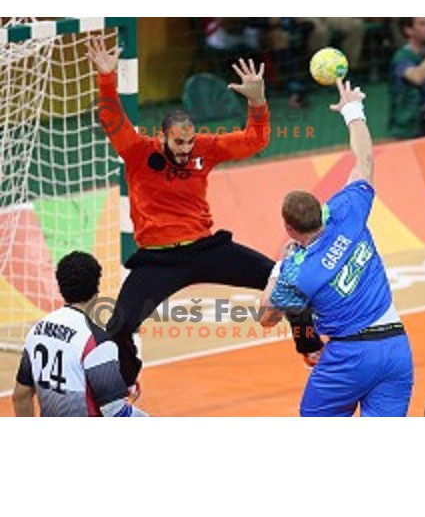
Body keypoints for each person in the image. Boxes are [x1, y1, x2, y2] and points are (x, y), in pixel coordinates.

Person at [85, 38, 322, 391]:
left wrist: (257, 100)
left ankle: (310, 346)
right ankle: (130, 376)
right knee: (117, 327)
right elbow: (111, 119)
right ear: (162, 137)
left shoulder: (203, 149)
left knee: (287, 281)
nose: (185, 149)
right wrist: (106, 78)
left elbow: (254, 141)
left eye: (190, 142)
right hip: (158, 261)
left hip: (207, 249)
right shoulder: (137, 152)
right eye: (178, 143)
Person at [259, 78, 414, 417]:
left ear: (289, 228)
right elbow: (365, 160)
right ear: (321, 211)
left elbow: (266, 317)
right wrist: (352, 109)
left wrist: (277, 271)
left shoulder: (296, 273)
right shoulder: (348, 213)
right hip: (396, 349)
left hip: (349, 359)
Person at [12, 252, 147, 417]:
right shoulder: (97, 342)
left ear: (61, 287)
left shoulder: (36, 331)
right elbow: (117, 413)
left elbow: (21, 396)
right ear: (97, 288)